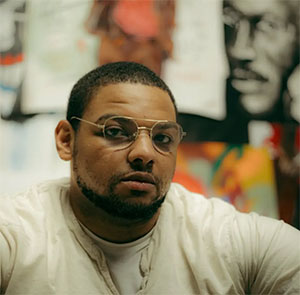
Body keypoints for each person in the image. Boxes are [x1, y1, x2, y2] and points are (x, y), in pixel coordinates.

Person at [0, 61, 299, 294]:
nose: (145, 153)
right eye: (115, 132)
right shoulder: (16, 236)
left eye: (163, 138)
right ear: (67, 140)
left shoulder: (229, 241)